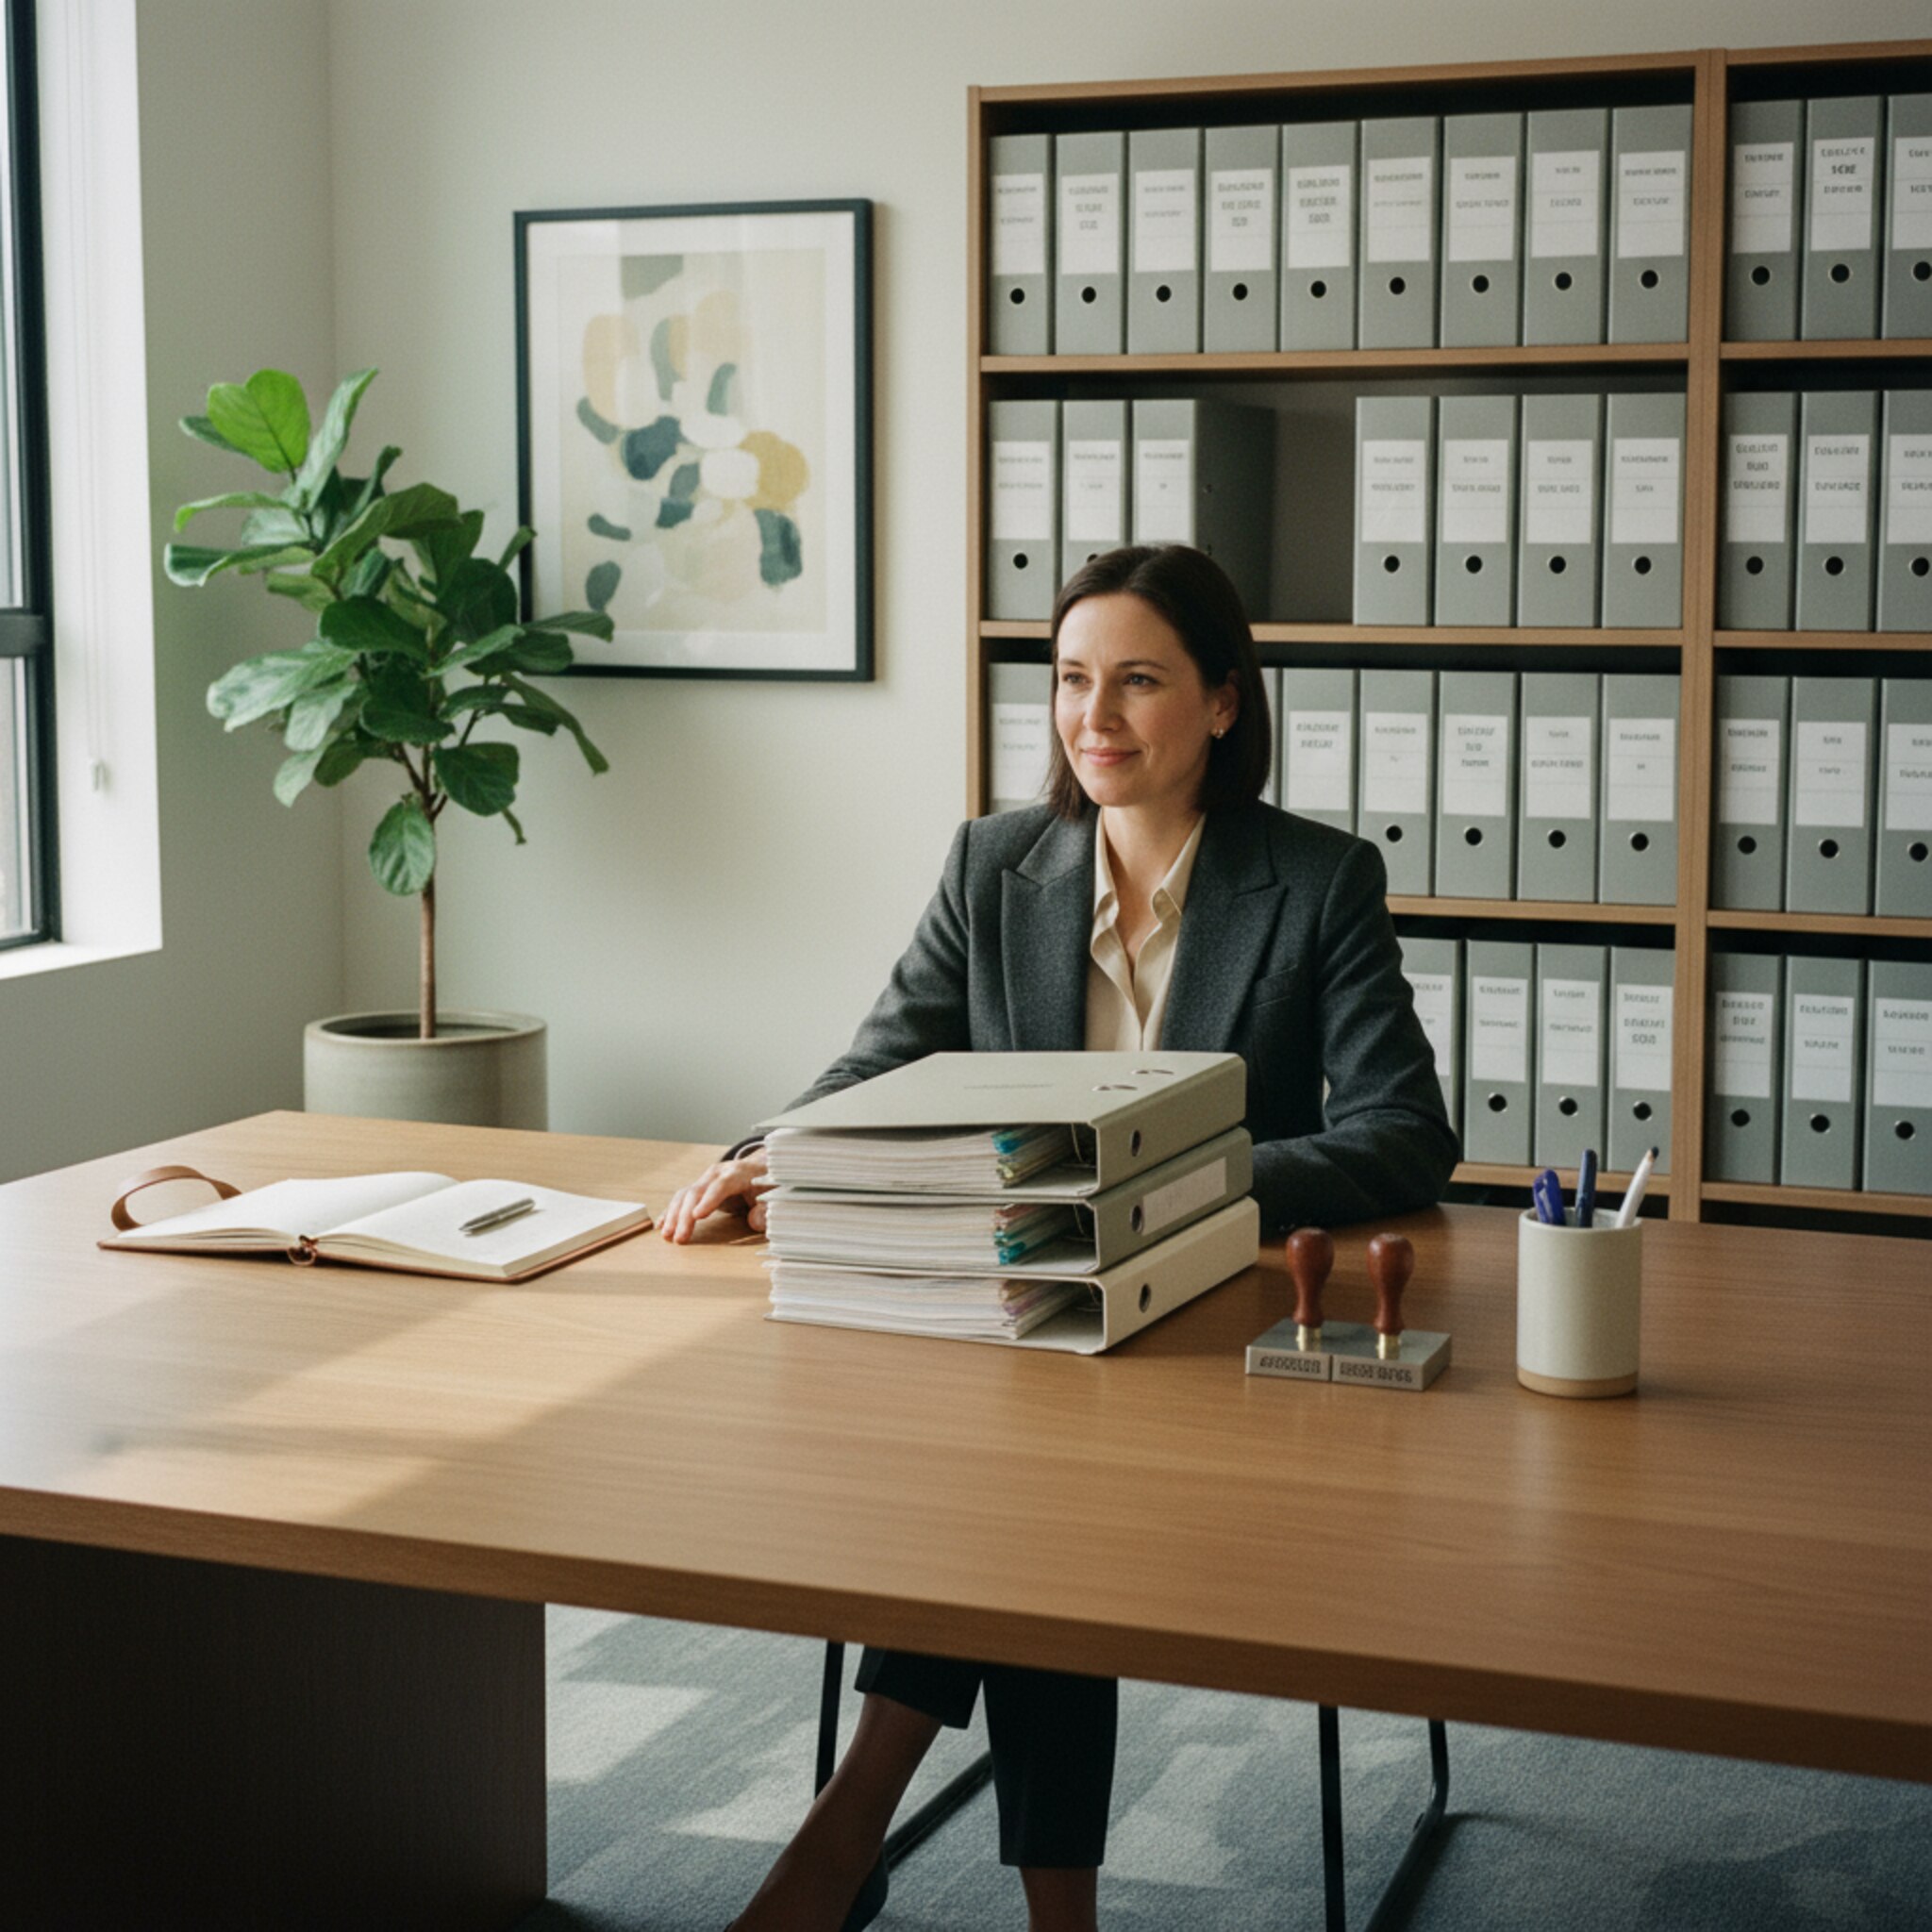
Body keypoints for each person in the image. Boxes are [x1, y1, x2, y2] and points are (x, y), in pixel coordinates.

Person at [660, 543, 1460, 1932]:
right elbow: (880, 1061)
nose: (1096, 716)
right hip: (1023, 1322)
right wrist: (761, 1154)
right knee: (1022, 1492)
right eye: (1073, 680)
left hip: (1205, 1343)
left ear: (1223, 701)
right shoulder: (997, 865)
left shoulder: (1318, 879)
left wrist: (1158, 1187)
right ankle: (1020, 1904)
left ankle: (846, 1839)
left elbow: (1403, 1131)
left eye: (1138, 681)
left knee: (1023, 1507)